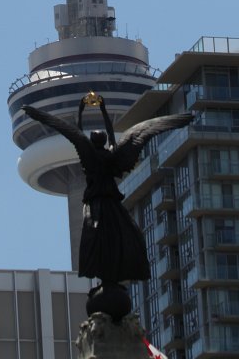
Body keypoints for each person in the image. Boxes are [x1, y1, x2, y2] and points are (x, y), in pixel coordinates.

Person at [22, 94, 194, 283]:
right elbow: (114, 135)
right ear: (103, 141)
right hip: (112, 204)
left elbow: (75, 132)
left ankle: (100, 269)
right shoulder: (113, 155)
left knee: (93, 237)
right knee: (126, 234)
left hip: (96, 204)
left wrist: (79, 110)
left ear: (91, 141)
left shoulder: (89, 156)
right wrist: (103, 110)